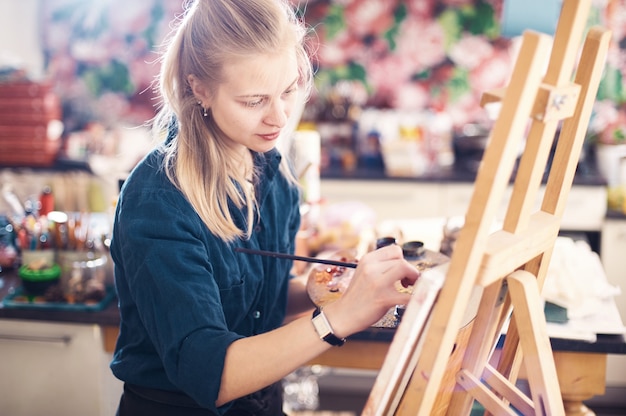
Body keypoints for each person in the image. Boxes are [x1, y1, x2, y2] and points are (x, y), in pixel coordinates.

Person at [110, 0, 421, 415]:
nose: (279, 117)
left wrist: (317, 292)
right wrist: (338, 318)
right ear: (199, 87)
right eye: (254, 101)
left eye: (289, 90)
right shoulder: (158, 200)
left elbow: (255, 307)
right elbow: (210, 371)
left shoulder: (272, 172)